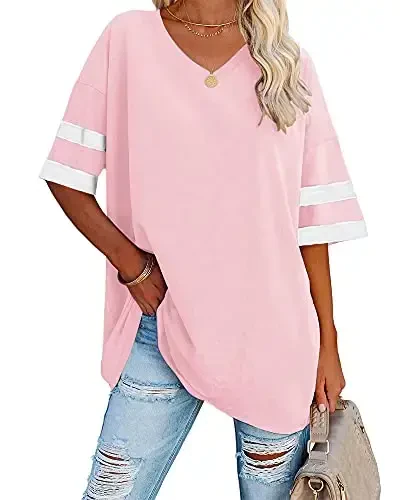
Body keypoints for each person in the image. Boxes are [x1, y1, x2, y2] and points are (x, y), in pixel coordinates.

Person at [39, 1, 367, 498]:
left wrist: (329, 342)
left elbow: (311, 223)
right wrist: (132, 266)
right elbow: (66, 174)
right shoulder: (128, 39)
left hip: (275, 340)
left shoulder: (287, 63)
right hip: (162, 326)